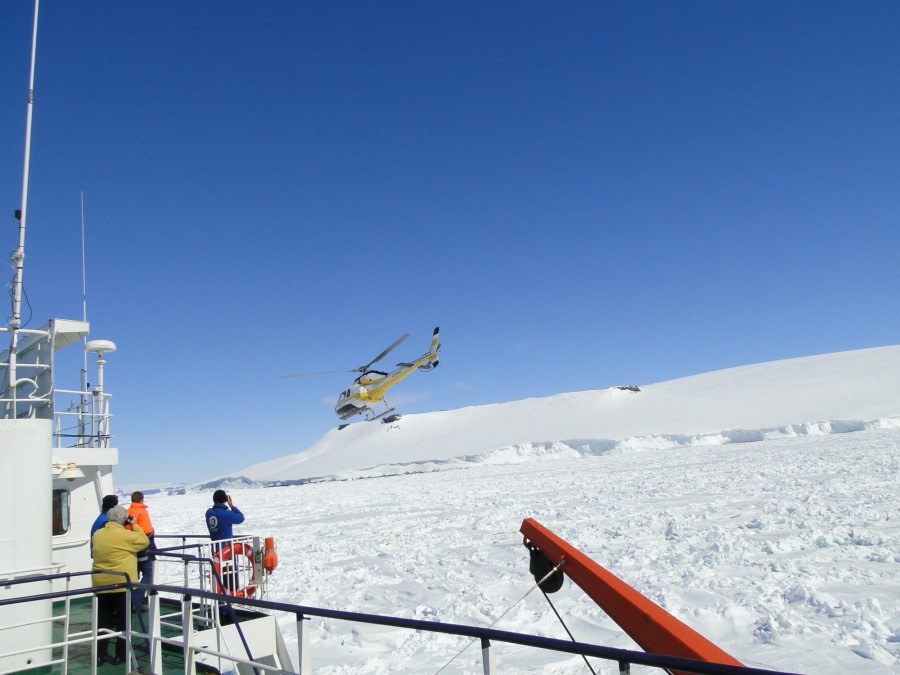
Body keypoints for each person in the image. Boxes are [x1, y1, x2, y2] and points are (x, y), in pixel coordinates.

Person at [92, 505, 149, 666]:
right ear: (124, 520)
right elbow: (144, 540)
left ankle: (99, 655)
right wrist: (135, 524)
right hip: (122, 585)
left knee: (103, 622)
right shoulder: (126, 536)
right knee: (123, 623)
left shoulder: (98, 535)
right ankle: (120, 655)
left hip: (101, 584)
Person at [125, 491, 156, 611]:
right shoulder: (142, 512)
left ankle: (130, 600)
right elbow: (147, 531)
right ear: (142, 500)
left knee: (134, 575)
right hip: (143, 549)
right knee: (148, 573)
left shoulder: (126, 512)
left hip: (131, 549)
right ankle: (136, 600)